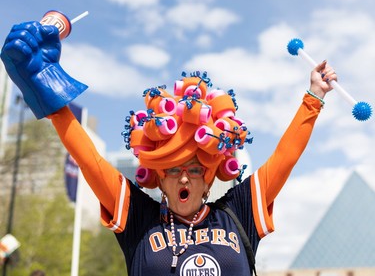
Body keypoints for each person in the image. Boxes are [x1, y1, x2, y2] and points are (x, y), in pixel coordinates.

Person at [1, 21, 337, 276]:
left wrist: (314, 97)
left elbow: (285, 158)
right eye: (173, 170)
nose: (184, 179)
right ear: (159, 179)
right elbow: (88, 159)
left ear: (209, 179)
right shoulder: (139, 219)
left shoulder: (238, 213)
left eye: (194, 169)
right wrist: (48, 90)